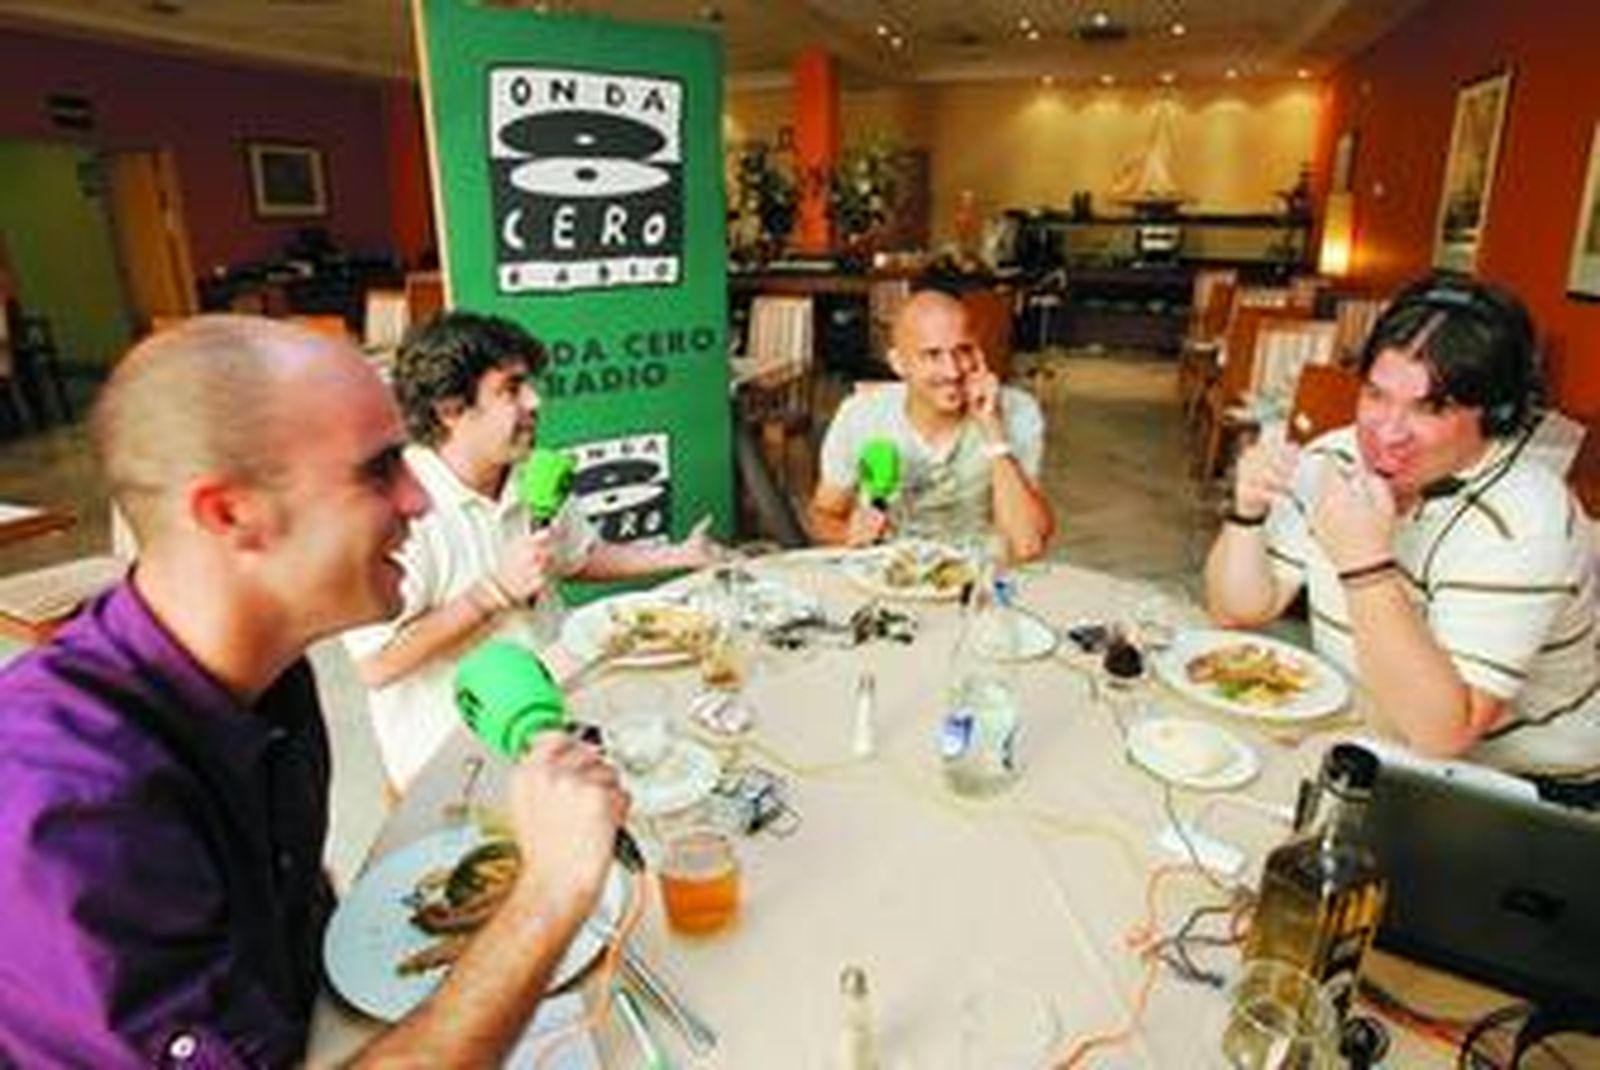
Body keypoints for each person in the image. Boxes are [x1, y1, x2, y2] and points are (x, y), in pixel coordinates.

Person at [0, 316, 629, 1065]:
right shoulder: (72, 808)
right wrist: (550, 895)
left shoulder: (270, 671)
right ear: (231, 515)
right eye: (379, 470)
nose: (419, 500)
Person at [1205, 276, 1600, 800]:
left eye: (1429, 408)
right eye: (1376, 395)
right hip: (1373, 734)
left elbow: (1441, 734)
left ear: (1497, 416)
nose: (1387, 433)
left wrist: (1365, 564)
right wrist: (1247, 513)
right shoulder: (1337, 456)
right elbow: (1237, 610)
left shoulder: (1527, 522)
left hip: (1531, 789)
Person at [344, 311, 717, 792]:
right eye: (511, 389)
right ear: (450, 408)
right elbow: (377, 665)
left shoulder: (529, 475)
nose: (535, 401)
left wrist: (679, 555)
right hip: (455, 761)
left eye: (530, 385)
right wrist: (492, 593)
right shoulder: (396, 507)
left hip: (555, 714)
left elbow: (578, 557)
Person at [810, 289, 1054, 560]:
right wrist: (847, 532)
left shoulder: (1018, 411)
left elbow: (1027, 545)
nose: (952, 371)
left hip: (980, 575)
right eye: (932, 355)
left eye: (963, 350)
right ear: (898, 363)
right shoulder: (861, 415)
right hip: (888, 570)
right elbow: (823, 515)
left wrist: (993, 430)